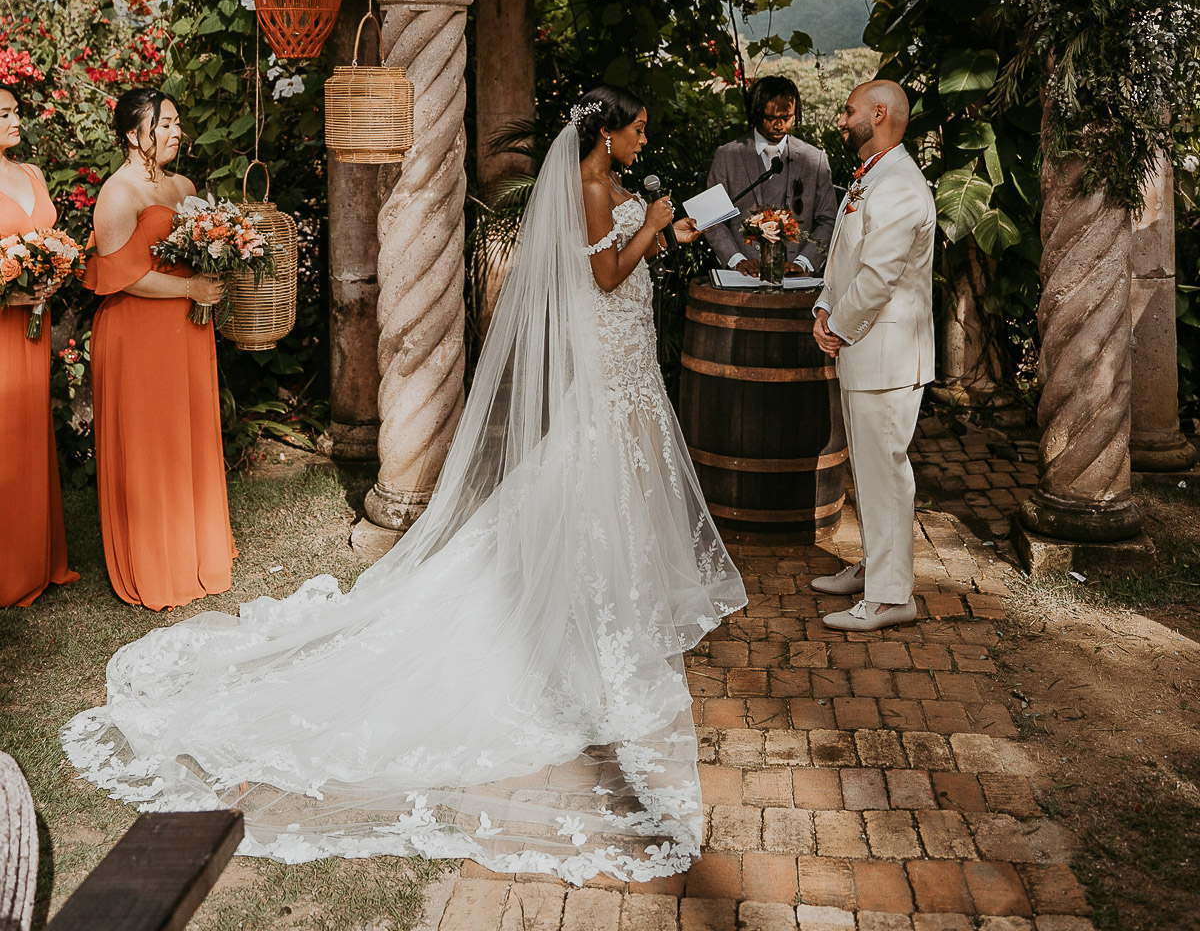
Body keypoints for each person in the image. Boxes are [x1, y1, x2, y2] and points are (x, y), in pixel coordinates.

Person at [62, 85, 747, 885]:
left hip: (628, 342)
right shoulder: (592, 186)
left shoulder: (614, 186)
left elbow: (620, 263)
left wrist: (668, 230)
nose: (641, 142)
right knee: (587, 462)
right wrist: (655, 228)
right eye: (636, 131)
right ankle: (573, 590)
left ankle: (615, 584)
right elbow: (598, 279)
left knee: (610, 464)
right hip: (611, 342)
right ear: (606, 136)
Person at [85, 89, 231, 610]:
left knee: (186, 433)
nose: (175, 132)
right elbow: (121, 277)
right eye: (164, 124)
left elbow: (195, 251)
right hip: (137, 334)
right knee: (150, 441)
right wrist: (191, 290)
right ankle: (154, 562)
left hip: (186, 331)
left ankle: (195, 551)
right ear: (133, 134)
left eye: (175, 123)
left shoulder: (184, 185)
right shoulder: (117, 195)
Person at [809, 79, 936, 632]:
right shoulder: (874, 176)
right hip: (864, 349)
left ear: (878, 114)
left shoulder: (902, 187)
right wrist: (822, 306)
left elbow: (880, 276)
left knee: (886, 473)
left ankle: (891, 598)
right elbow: (844, 258)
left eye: (849, 110)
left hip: (886, 355)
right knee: (868, 469)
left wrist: (835, 324)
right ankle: (876, 568)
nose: (842, 119)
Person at [0, 84, 79, 609]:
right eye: (4, 113)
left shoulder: (31, 175)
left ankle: (36, 558)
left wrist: (52, 275)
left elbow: (47, 240)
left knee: (29, 431)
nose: (15, 119)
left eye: (15, 111)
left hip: (33, 325)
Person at [704, 75, 836, 276]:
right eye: (771, 118)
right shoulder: (727, 156)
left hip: (795, 280)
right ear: (757, 112)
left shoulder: (814, 159)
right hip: (742, 279)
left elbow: (828, 220)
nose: (779, 125)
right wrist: (737, 260)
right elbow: (713, 218)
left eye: (787, 118)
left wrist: (803, 262)